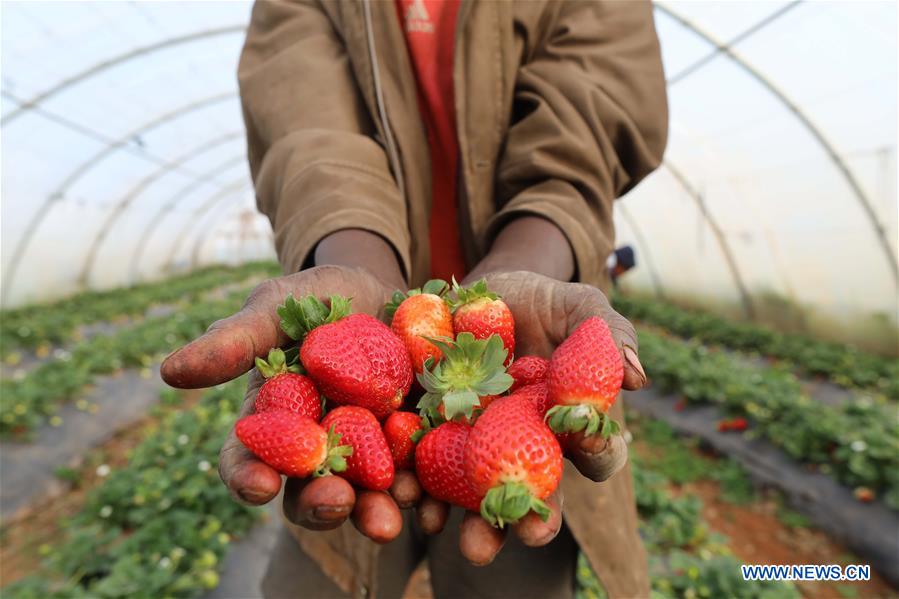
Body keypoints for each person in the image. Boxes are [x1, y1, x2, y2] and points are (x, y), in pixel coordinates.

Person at [161, 0, 668, 597]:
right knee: (325, 570)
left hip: (531, 342)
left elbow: (588, 120)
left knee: (511, 564)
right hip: (363, 376)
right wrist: (355, 268)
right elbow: (304, 125)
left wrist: (523, 269)